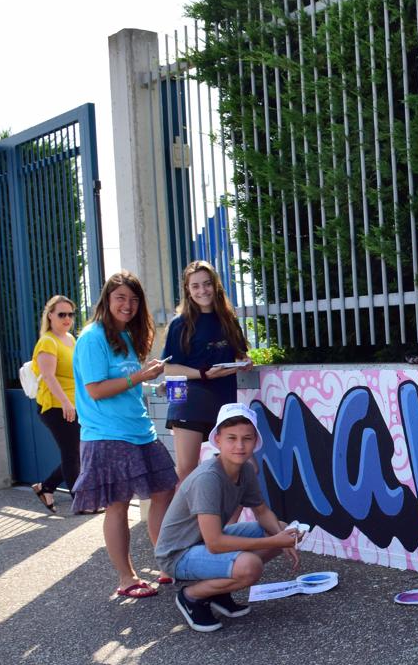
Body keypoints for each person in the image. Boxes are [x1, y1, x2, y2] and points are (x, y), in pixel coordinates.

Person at [71, 271, 178, 599]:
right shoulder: (92, 337)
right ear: (106, 300)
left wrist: (151, 381)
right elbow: (97, 390)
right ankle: (126, 578)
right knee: (118, 505)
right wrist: (139, 376)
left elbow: (127, 382)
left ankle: (166, 564)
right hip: (107, 434)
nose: (127, 305)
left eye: (133, 299)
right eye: (120, 298)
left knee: (165, 491)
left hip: (139, 430)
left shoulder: (127, 337)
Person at [155, 403, 302, 633]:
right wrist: (276, 542)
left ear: (255, 441)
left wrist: (283, 536)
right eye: (231, 438)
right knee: (250, 567)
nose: (240, 446)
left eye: (247, 438)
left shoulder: (244, 470)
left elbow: (262, 511)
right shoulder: (208, 478)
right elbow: (215, 543)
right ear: (218, 440)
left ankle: (218, 591)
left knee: (280, 527)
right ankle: (191, 596)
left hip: (201, 543)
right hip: (178, 554)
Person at [163, 261, 252, 483]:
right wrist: (175, 412)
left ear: (216, 285)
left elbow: (240, 354)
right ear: (188, 290)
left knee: (235, 472)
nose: (202, 290)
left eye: (207, 284)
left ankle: (226, 520)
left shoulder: (228, 319)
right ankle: (185, 519)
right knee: (187, 473)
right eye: (195, 286)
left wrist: (244, 361)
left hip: (224, 406)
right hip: (188, 405)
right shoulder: (179, 324)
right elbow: (169, 369)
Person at [29, 295, 80, 514]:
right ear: (50, 316)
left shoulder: (70, 338)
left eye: (70, 314)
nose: (67, 318)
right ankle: (81, 502)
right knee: (71, 452)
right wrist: (66, 403)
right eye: (61, 314)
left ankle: (46, 486)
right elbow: (49, 377)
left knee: (77, 452)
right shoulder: (47, 341)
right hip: (55, 406)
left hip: (73, 404)